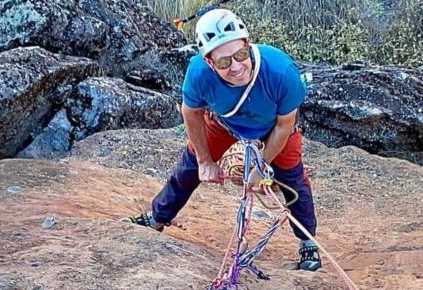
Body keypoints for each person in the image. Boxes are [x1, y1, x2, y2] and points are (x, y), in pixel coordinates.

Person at [127, 8, 321, 271]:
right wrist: (205, 160)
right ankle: (158, 217)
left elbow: (285, 124)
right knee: (190, 167)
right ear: (209, 62)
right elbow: (190, 111)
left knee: (292, 180)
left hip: (273, 126)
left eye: (241, 55)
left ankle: (307, 240)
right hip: (225, 123)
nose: (236, 66)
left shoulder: (280, 70)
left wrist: (262, 165)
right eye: (223, 62)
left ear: (248, 44)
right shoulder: (198, 74)